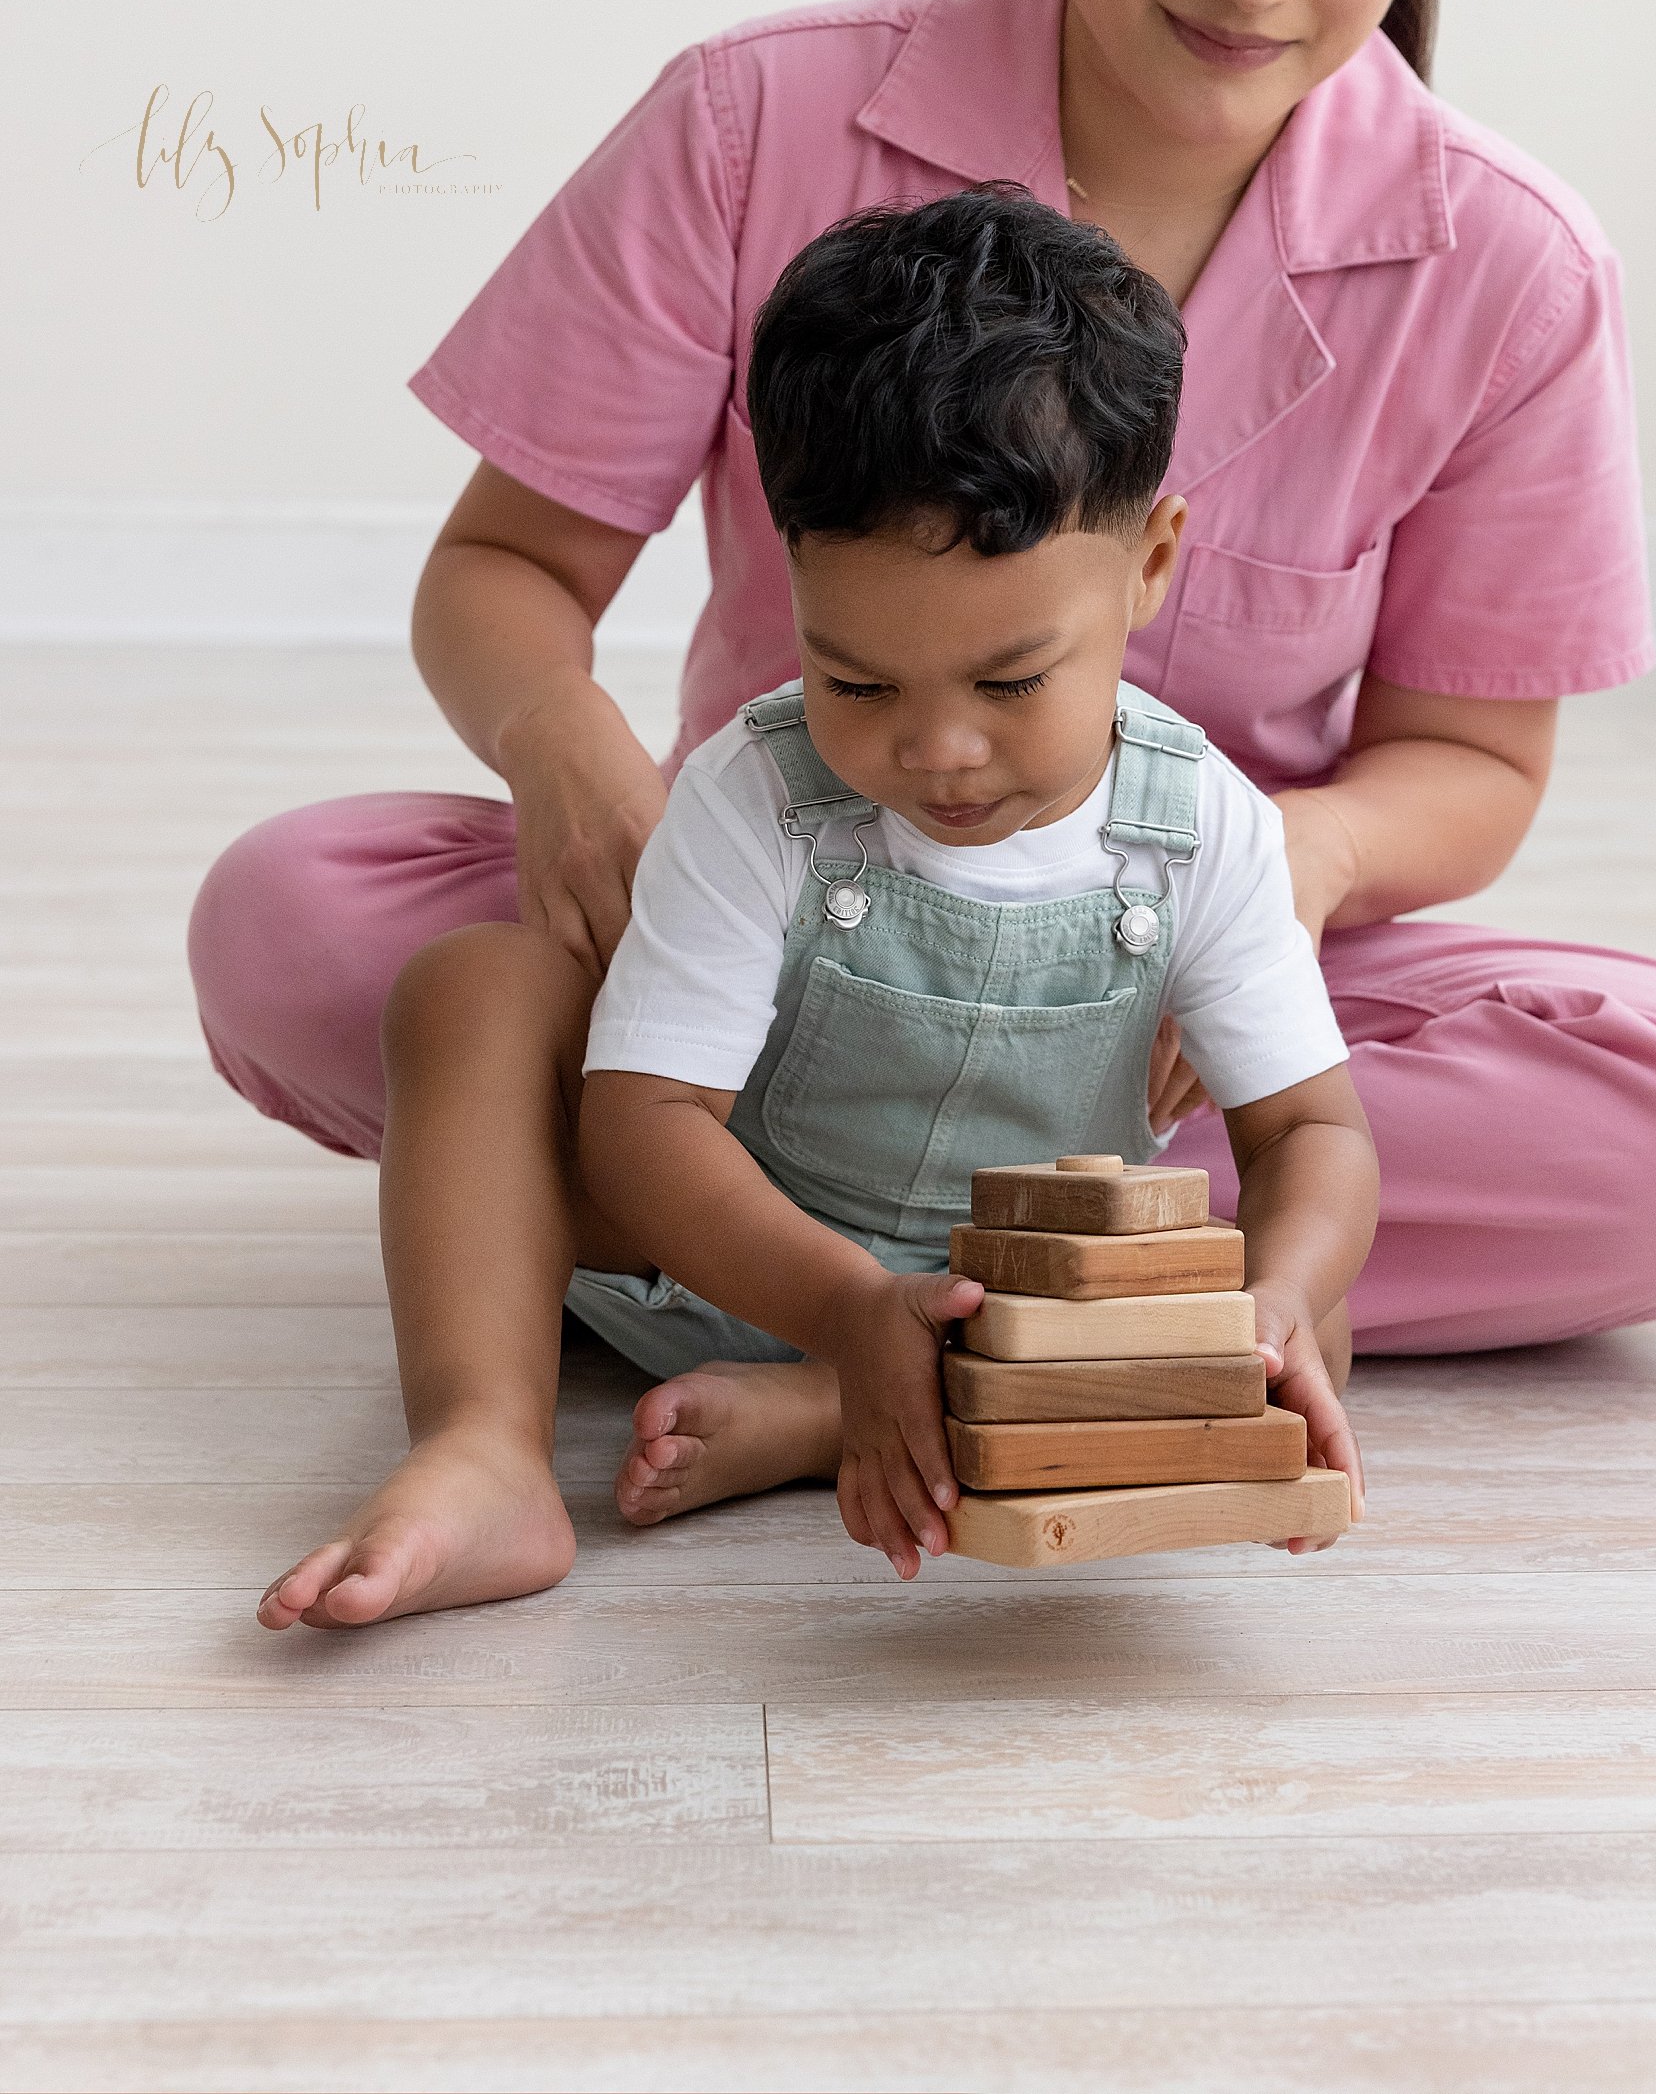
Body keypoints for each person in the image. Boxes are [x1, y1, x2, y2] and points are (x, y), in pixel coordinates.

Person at [189, 0, 1656, 1369]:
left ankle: (750, 1245)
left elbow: (1471, 764)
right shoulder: (753, 122)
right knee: (293, 919)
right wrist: (569, 756)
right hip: (784, 955)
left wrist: (1290, 877)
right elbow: (504, 567)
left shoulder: (1513, 264)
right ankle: (998, 1273)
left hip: (1189, 1023)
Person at [257, 194, 1377, 1629]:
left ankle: (840, 1410)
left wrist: (1277, 1296)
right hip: (737, 1256)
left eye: (1010, 682)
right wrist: (851, 1304)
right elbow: (643, 1128)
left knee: (1307, 1300)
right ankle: (484, 1441)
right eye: (857, 682)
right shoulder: (760, 794)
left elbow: (1315, 1134)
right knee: (473, 987)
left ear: (1149, 563)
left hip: (1021, 1309)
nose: (936, 751)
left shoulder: (1201, 820)